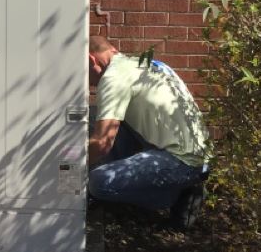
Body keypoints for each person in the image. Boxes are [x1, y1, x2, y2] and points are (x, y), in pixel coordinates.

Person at [87, 35, 211, 229]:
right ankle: (129, 184)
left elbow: (102, 143)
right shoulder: (144, 63)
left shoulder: (114, 77)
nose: (86, 81)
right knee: (107, 117)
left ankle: (177, 194)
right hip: (197, 152)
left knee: (97, 183)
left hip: (182, 161)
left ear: (90, 60)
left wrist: (66, 167)